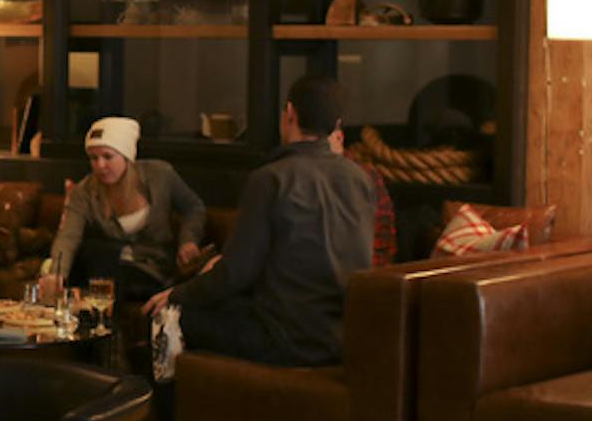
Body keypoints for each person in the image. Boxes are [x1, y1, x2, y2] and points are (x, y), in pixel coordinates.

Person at [145, 75, 375, 368]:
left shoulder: (271, 179)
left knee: (164, 317)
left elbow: (236, 274)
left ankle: (166, 414)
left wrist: (176, 295)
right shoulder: (360, 179)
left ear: (289, 113)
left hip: (284, 339)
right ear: (336, 124)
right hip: (339, 338)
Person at [45, 116, 207, 300]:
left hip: (154, 267)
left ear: (127, 155)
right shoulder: (84, 192)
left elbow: (194, 207)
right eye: (93, 158)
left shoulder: (160, 175)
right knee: (95, 253)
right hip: (109, 269)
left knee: (101, 260)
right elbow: (68, 236)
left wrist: (188, 240)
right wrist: (56, 274)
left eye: (108, 156)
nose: (100, 165)